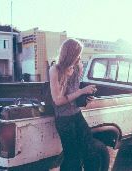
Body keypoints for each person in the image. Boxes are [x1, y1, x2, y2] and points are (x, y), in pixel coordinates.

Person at [49, 38, 109, 171]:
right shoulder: (55, 70)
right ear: (70, 54)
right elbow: (58, 100)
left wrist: (84, 98)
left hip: (76, 115)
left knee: (91, 151)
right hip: (64, 120)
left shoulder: (77, 68)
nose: (79, 57)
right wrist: (82, 91)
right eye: (78, 54)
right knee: (72, 158)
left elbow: (74, 92)